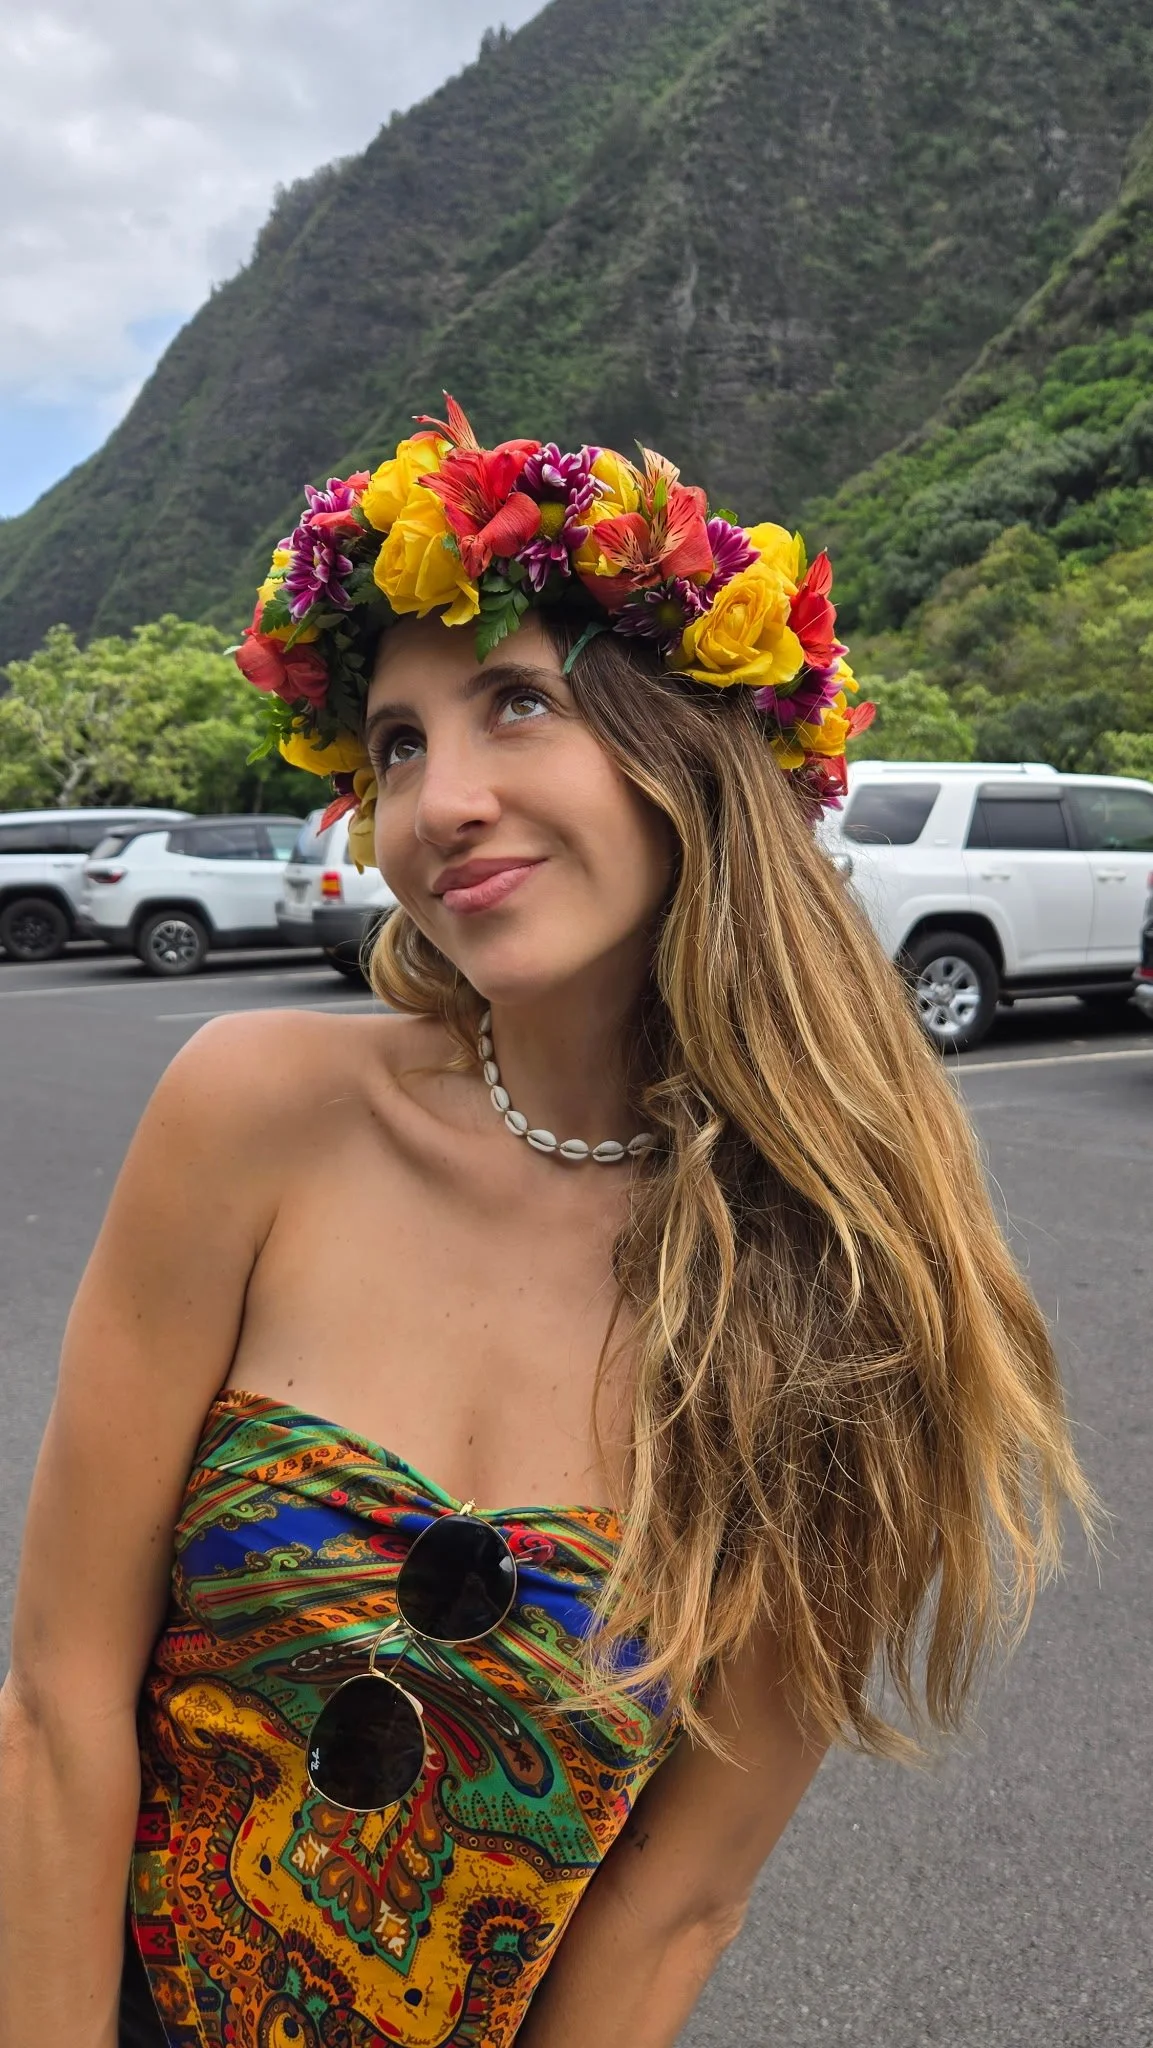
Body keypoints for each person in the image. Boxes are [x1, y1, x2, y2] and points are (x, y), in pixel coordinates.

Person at [0, 402, 1093, 2048]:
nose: (439, 802)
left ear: (689, 754)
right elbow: (58, 1709)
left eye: (516, 703)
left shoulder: (843, 1284)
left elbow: (682, 1897)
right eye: (398, 745)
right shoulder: (254, 1112)